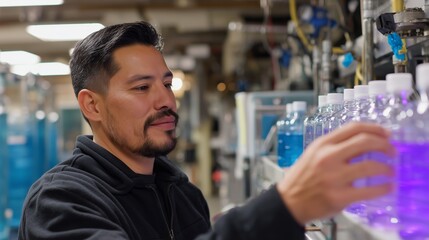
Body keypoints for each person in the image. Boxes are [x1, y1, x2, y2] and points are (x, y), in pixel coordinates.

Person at [18, 21, 395, 240]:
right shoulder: (60, 201)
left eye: (167, 83)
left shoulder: (181, 193)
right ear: (92, 105)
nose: (165, 100)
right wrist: (281, 209)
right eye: (141, 87)